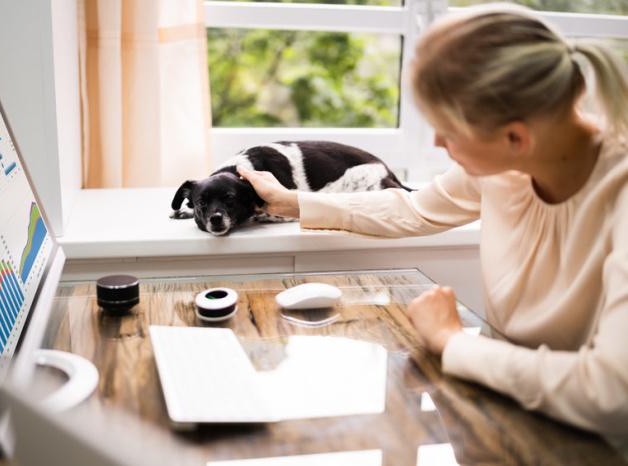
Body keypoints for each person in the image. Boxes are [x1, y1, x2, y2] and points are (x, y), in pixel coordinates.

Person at [237, 4, 628, 437]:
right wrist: (296, 203)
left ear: (516, 137)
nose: (438, 141)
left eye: (448, 132)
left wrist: (451, 341)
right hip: (506, 411)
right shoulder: (509, 163)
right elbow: (414, 207)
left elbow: (610, 394)